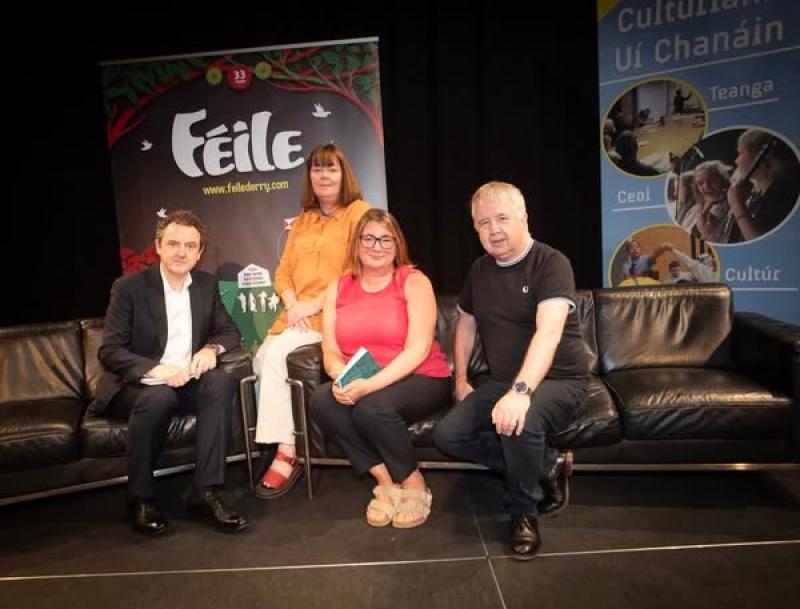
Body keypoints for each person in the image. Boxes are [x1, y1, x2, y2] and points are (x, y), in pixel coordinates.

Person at [434, 182, 589, 560]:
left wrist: (520, 393)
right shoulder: (480, 269)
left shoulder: (551, 263)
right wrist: (461, 381)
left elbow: (549, 332)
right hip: (503, 381)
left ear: (524, 217)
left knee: (521, 421)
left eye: (502, 218)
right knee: (447, 435)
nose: (494, 230)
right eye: (483, 222)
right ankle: (547, 465)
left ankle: (524, 512)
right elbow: (466, 322)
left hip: (559, 380)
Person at [96, 210, 250, 536]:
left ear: (199, 252)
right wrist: (156, 369)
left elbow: (229, 333)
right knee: (159, 396)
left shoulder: (206, 285)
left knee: (220, 380)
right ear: (158, 247)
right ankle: (140, 497)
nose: (181, 252)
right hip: (137, 386)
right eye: (174, 243)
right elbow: (110, 350)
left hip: (186, 381)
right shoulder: (129, 288)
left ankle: (205, 491)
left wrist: (211, 351)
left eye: (190, 246)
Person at [310, 209, 452, 528]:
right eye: (370, 238)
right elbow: (330, 348)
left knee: (371, 408)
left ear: (397, 244)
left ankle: (414, 483)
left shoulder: (414, 281)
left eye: (386, 239)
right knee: (322, 400)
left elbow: (418, 349)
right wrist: (339, 377)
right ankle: (386, 481)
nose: (378, 245)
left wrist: (368, 386)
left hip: (421, 376)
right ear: (357, 244)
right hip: (364, 377)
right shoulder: (339, 287)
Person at [252, 144, 371, 499]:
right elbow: (283, 271)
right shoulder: (303, 219)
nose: (323, 175)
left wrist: (315, 304)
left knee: (275, 358)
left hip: (336, 315)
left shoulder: (360, 213)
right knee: (259, 357)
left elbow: (360, 269)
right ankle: (281, 440)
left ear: (343, 173)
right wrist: (293, 305)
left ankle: (287, 451)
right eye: (317, 169)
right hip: (297, 315)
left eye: (331, 168)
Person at [726, 129, 800, 242]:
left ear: (759, 155)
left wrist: (737, 207)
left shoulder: (784, 191)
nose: (736, 161)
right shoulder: (754, 193)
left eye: (740, 153)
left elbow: (763, 244)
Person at [692, 160, 732, 243]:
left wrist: (708, 234)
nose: (706, 186)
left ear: (722, 180)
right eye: (700, 183)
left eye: (712, 180)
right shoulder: (695, 209)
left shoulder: (731, 209)